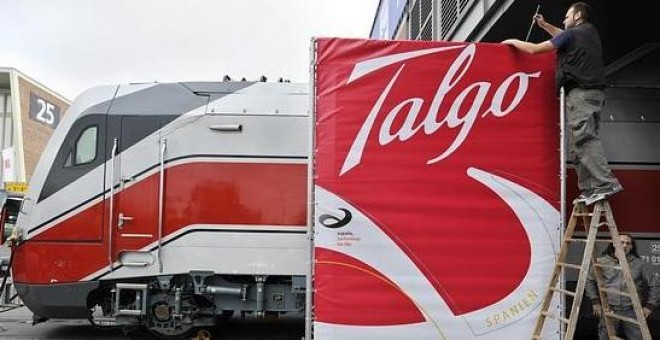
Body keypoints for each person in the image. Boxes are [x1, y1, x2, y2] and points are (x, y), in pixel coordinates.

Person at [501, 2, 622, 205]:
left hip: (581, 93)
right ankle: (590, 189)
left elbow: (535, 50)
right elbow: (563, 36)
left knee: (583, 140)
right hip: (593, 93)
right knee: (578, 144)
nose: (564, 20)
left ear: (578, 16)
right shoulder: (588, 33)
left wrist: (513, 41)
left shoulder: (573, 34)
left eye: (567, 16)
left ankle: (605, 184)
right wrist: (546, 26)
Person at [585, 234, 660, 340]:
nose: (624, 245)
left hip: (632, 311)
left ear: (631, 247)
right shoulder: (601, 262)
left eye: (628, 243)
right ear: (614, 244)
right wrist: (595, 301)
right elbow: (589, 281)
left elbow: (655, 284)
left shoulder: (639, 264)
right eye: (621, 242)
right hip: (609, 309)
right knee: (605, 337)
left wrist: (650, 306)